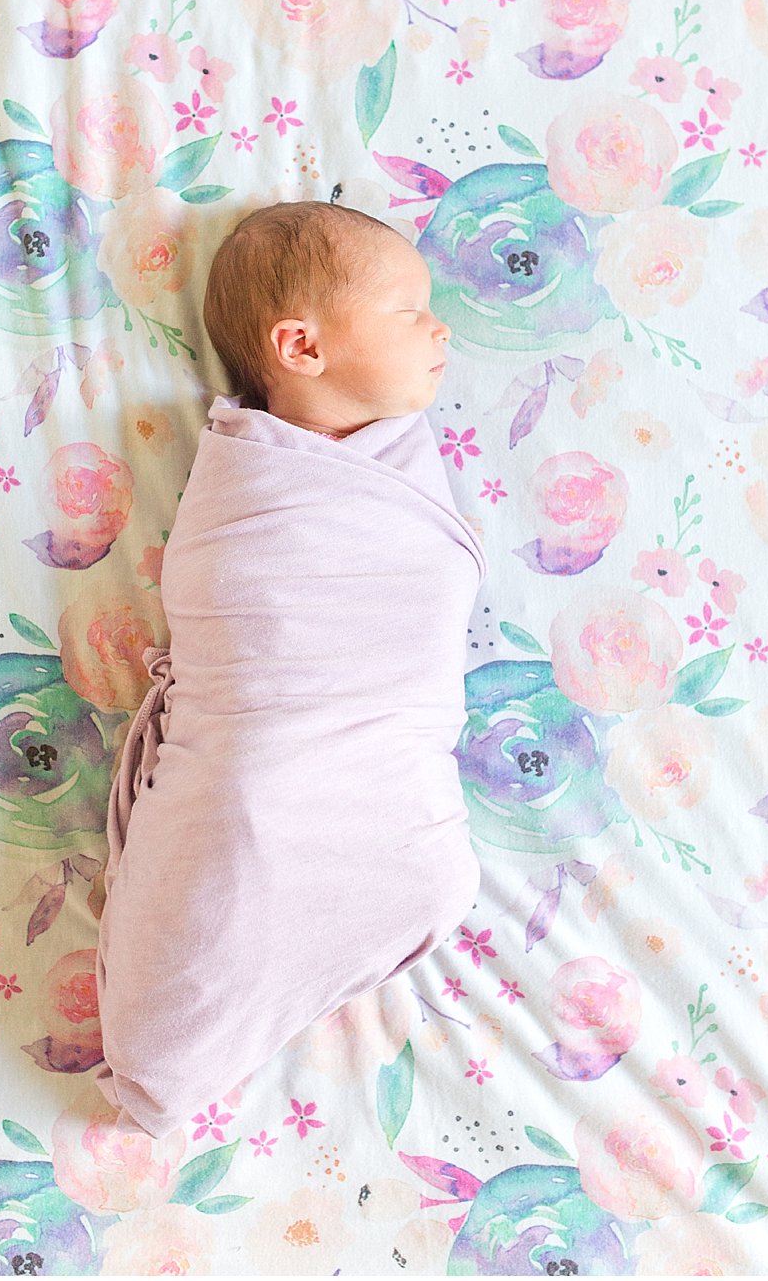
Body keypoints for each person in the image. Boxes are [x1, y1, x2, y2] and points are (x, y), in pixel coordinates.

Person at [96, 201, 484, 1136]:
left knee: (419, 872)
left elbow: (416, 600)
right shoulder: (245, 491)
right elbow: (240, 613)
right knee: (238, 829)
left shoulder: (398, 463)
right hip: (255, 768)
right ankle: (173, 1046)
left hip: (387, 774)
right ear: (301, 347)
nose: (441, 328)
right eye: (408, 311)